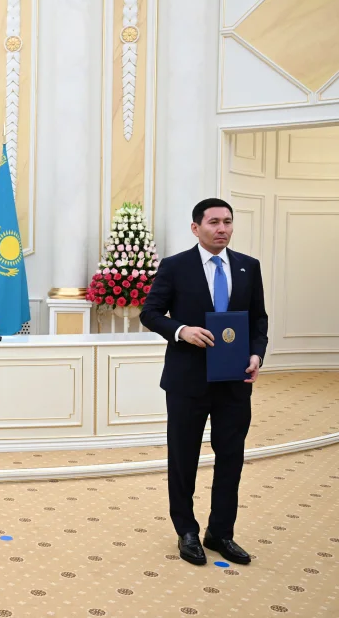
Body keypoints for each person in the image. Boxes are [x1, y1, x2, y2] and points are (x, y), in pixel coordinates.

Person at [140, 198, 268, 567]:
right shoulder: (175, 266)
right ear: (196, 228)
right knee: (184, 458)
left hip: (234, 381)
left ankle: (221, 533)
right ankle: (187, 531)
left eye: (227, 221)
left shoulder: (248, 266)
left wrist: (257, 354)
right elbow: (150, 313)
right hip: (188, 381)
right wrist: (181, 330)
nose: (222, 228)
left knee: (231, 458)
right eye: (214, 222)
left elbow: (259, 320)